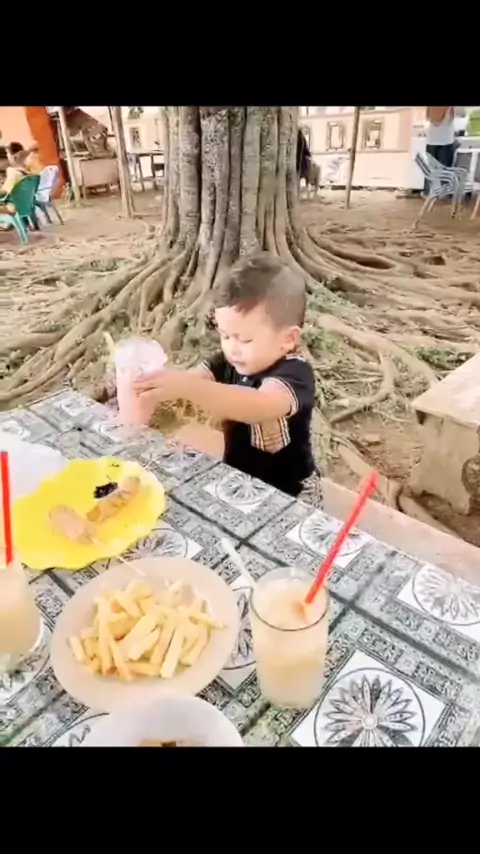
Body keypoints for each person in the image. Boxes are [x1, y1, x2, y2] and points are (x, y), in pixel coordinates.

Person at [134, 253, 323, 508]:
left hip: (292, 492)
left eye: (245, 339)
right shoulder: (230, 361)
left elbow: (257, 405)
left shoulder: (295, 373)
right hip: (240, 479)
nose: (232, 348)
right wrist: (158, 384)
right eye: (225, 336)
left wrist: (189, 386)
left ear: (288, 339)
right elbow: (193, 381)